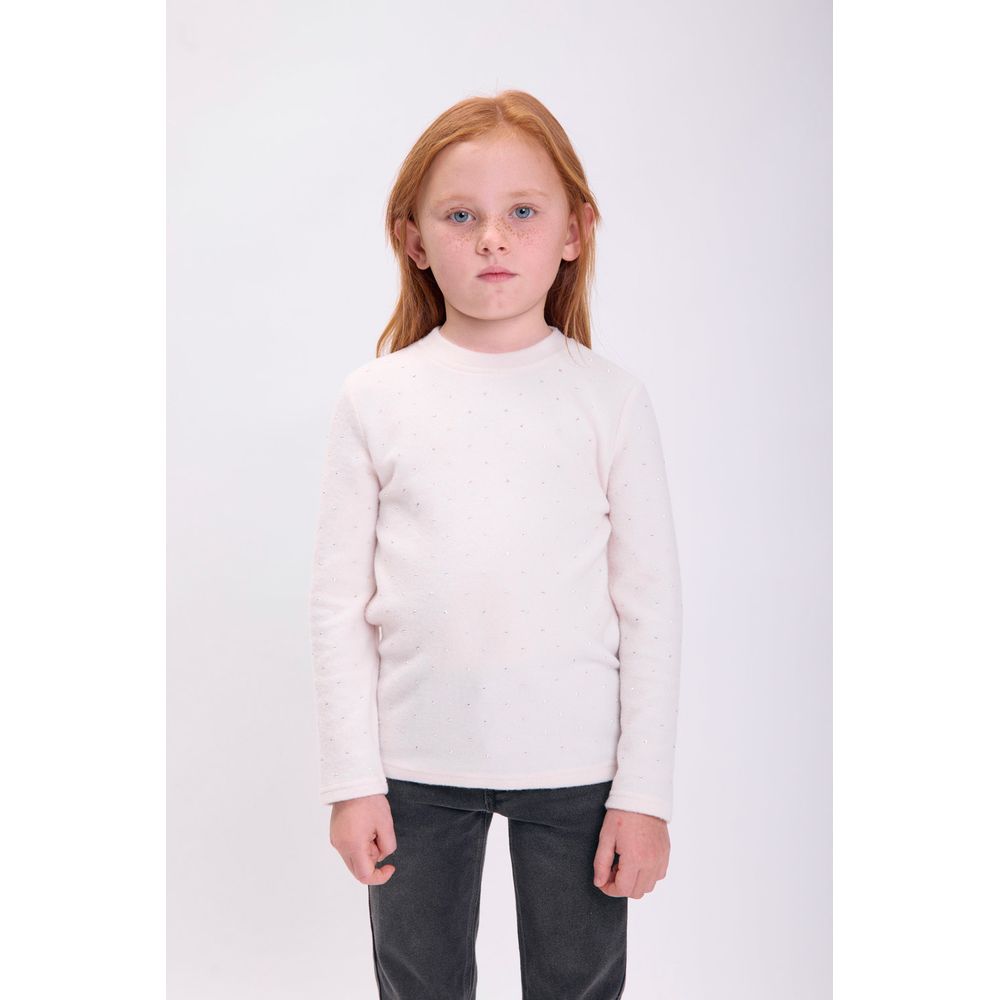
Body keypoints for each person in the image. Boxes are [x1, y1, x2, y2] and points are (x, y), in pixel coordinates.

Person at [308, 89, 683, 1000]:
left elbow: (652, 611)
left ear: (574, 231)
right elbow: (337, 609)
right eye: (460, 215)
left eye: (522, 212)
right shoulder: (374, 399)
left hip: (578, 769)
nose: (491, 239)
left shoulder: (611, 401)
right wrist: (353, 781)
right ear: (413, 239)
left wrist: (643, 796)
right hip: (414, 768)